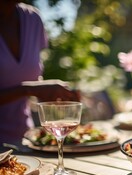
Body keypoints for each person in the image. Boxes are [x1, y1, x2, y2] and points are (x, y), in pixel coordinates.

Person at [0, 1, 80, 145]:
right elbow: (27, 88)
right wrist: (29, 89)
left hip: (24, 141)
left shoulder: (32, 19)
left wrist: (50, 93)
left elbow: (26, 76)